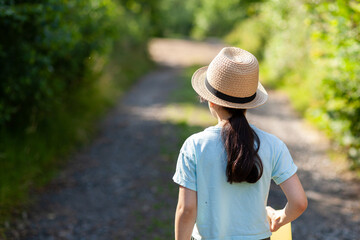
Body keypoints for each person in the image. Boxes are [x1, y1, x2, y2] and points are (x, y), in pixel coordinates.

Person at [173, 47, 307, 240]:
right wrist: (280, 217)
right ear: (249, 103)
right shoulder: (274, 145)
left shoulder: (195, 145)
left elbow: (186, 209)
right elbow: (299, 202)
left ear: (211, 101)